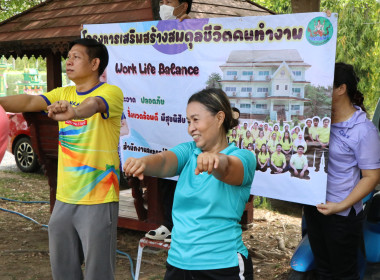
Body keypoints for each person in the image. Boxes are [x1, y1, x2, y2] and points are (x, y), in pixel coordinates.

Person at [0, 38, 123, 280]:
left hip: (99, 197)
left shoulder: (111, 92)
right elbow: (29, 101)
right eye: (69, 57)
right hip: (65, 197)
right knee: (63, 270)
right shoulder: (63, 92)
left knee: (98, 272)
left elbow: (94, 104)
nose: (69, 61)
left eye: (76, 57)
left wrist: (74, 111)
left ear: (95, 63)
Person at [124, 88, 256, 279]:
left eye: (196, 120)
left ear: (219, 118)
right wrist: (143, 163)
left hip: (222, 265)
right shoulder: (189, 152)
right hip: (178, 262)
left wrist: (215, 160)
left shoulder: (243, 157)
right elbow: (163, 161)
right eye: (188, 121)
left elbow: (228, 169)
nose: (190, 128)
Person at [304, 62, 380, 279]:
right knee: (323, 270)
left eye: (325, 84)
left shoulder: (363, 130)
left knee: (343, 274)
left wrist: (340, 206)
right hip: (315, 206)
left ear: (341, 88)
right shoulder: (318, 120)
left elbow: (372, 176)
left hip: (341, 214)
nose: (318, 89)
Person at [145, 0, 194, 243]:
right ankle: (168, 224)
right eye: (162, 0)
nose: (163, 4)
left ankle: (185, 229)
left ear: (183, 6)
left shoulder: (199, 30)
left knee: (190, 175)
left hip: (189, 118)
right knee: (167, 174)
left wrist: (190, 27)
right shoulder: (153, 32)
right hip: (164, 119)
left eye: (169, 1)